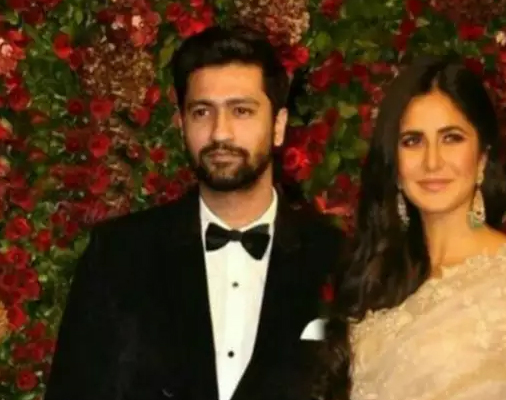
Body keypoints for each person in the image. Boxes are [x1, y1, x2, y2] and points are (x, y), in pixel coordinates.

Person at [45, 25, 343, 400]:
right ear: (182, 123)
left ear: (278, 126)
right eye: (202, 112)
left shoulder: (335, 258)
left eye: (241, 111)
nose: (220, 133)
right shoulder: (119, 255)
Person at [316, 56, 506, 400]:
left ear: (481, 158)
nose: (432, 161)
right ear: (394, 164)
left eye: (451, 138)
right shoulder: (378, 273)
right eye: (413, 141)